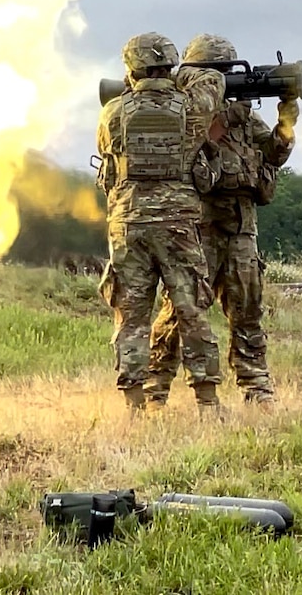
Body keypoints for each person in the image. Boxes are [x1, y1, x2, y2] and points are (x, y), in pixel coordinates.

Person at [145, 34, 299, 407]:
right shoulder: (188, 115)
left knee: (248, 310)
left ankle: (256, 387)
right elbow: (186, 162)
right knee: (183, 310)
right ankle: (155, 387)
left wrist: (286, 123)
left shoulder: (247, 119)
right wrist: (219, 121)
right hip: (201, 229)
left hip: (242, 227)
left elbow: (275, 155)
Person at [95, 32, 226, 413]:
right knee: (191, 309)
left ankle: (135, 402)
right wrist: (184, 77)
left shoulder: (113, 111)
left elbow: (108, 155)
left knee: (131, 314)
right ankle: (207, 399)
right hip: (177, 223)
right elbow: (213, 81)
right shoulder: (191, 107)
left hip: (128, 223)